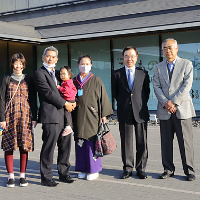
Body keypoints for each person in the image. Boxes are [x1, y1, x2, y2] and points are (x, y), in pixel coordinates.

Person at [153, 38, 196, 181]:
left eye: (170, 47)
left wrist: (174, 102)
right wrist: (166, 103)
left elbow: (187, 85)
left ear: (176, 48)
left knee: (186, 142)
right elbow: (156, 86)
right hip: (165, 110)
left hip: (182, 109)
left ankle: (189, 170)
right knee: (166, 142)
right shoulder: (158, 67)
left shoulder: (186, 64)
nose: (167, 50)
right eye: (164, 48)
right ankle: (168, 169)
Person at [33, 46, 76, 187]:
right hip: (50, 116)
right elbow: (48, 93)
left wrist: (73, 102)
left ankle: (64, 173)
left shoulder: (60, 73)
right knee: (49, 147)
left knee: (65, 147)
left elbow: (70, 87)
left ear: (57, 59)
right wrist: (65, 103)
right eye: (48, 56)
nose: (50, 58)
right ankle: (46, 177)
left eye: (53, 56)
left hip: (65, 117)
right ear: (43, 57)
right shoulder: (39, 74)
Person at [72, 55, 113, 181]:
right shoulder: (74, 80)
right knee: (80, 142)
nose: (85, 66)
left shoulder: (96, 79)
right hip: (78, 115)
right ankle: (83, 168)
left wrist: (103, 114)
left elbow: (103, 98)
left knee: (92, 142)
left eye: (87, 63)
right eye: (82, 63)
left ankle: (94, 169)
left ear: (91, 65)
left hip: (93, 115)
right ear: (78, 65)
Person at [112, 46, 150, 179]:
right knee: (126, 142)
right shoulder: (116, 74)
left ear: (137, 57)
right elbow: (115, 93)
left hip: (140, 112)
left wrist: (138, 103)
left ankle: (141, 169)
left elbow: (146, 92)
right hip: (124, 111)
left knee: (142, 142)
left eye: (132, 56)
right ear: (123, 58)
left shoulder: (143, 73)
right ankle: (128, 168)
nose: (129, 59)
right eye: (126, 56)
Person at [0, 53, 37, 188]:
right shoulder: (6, 79)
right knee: (9, 146)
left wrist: (34, 117)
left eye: (20, 63)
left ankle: (22, 176)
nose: (18, 65)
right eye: (16, 63)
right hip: (9, 117)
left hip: (25, 116)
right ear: (12, 64)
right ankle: (11, 176)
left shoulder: (28, 79)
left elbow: (33, 99)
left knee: (24, 146)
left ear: (24, 64)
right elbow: (2, 99)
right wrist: (1, 119)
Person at [57, 66, 77, 136]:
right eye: (61, 74)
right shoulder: (65, 81)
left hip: (69, 99)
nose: (62, 76)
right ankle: (69, 125)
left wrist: (59, 88)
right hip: (69, 98)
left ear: (69, 75)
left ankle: (68, 126)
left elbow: (66, 90)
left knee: (67, 113)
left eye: (64, 74)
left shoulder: (68, 82)